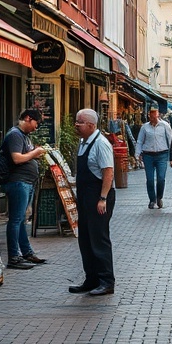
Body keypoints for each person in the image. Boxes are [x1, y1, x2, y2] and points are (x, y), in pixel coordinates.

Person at [68, 109, 116, 296]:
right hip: (86, 198)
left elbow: (108, 172)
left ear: (91, 125)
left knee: (99, 239)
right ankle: (91, 279)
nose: (76, 125)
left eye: (79, 122)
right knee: (86, 239)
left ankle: (106, 281)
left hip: (98, 198)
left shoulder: (101, 144)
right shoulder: (83, 142)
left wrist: (102, 198)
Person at [1, 108, 48, 270]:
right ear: (28, 118)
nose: (37, 127)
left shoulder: (24, 136)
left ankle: (26, 252)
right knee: (15, 220)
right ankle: (14, 257)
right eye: (36, 123)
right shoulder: (14, 134)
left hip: (26, 182)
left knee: (21, 219)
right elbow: (16, 158)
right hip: (18, 182)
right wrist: (35, 153)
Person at [135, 106, 172, 209]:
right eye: (150, 115)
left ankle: (159, 197)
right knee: (150, 179)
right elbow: (140, 141)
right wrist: (137, 154)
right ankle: (152, 200)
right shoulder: (145, 127)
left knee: (161, 178)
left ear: (158, 115)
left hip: (162, 155)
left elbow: (170, 140)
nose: (152, 117)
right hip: (148, 155)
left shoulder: (165, 126)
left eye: (154, 114)